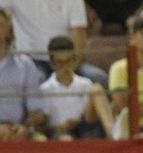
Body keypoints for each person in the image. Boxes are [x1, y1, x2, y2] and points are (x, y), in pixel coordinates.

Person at [39, 35, 114, 139]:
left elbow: (89, 117)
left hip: (84, 128)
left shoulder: (85, 83)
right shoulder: (45, 89)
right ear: (52, 64)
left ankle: (112, 133)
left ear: (74, 61)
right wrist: (58, 127)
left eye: (68, 61)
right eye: (60, 62)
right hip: (59, 134)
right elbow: (45, 123)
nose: (65, 67)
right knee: (65, 139)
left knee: (96, 89)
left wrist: (77, 121)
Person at [0, 9, 44, 140]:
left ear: (9, 30)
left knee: (41, 141)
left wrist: (25, 127)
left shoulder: (25, 64)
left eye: (0, 25)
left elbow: (36, 110)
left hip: (16, 128)